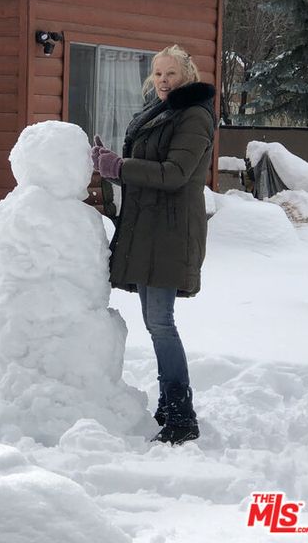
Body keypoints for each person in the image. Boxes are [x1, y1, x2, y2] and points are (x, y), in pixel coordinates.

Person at [91, 44, 216, 445]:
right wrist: (110, 164)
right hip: (149, 230)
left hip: (172, 231)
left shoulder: (194, 116)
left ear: (187, 77)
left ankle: (181, 416)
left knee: (161, 324)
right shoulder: (158, 113)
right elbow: (147, 170)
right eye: (158, 74)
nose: (163, 81)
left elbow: (176, 173)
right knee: (155, 323)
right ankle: (168, 405)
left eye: (171, 75)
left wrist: (120, 166)